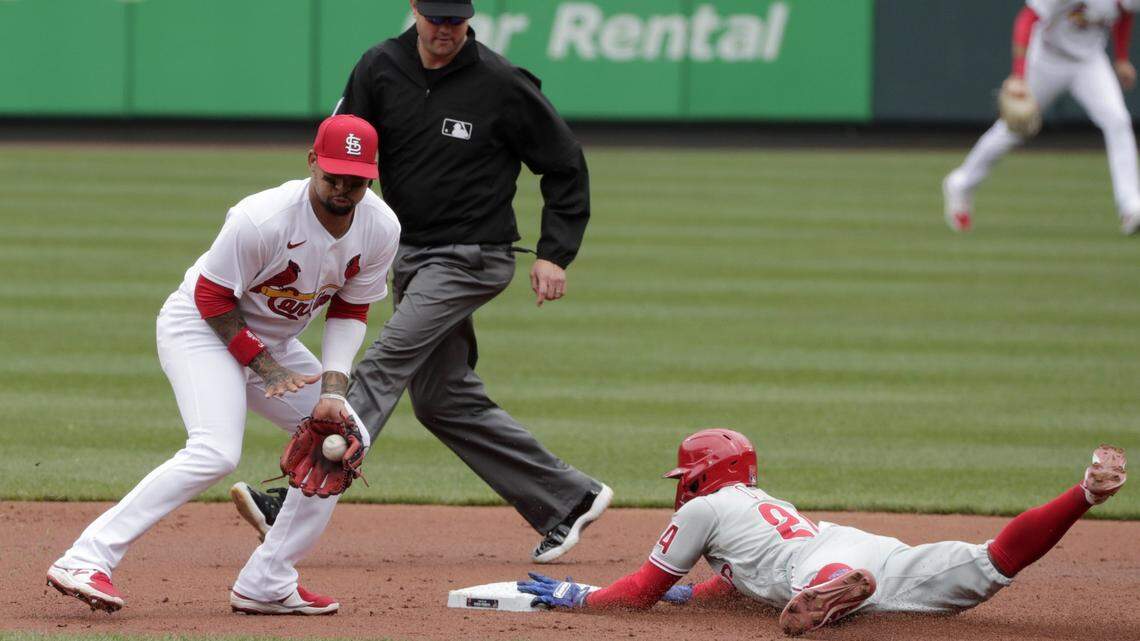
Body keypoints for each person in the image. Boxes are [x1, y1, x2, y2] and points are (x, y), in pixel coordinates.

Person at [230, 0, 611, 564]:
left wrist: (555, 253)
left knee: (382, 364)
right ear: (415, 10)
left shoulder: (501, 83)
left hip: (470, 258)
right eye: (436, 17)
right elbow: (341, 145)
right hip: (407, 256)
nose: (445, 29)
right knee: (441, 399)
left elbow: (564, 162)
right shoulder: (380, 67)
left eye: (456, 20)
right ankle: (569, 498)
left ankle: (294, 500)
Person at [46, 115, 401, 615]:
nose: (343, 188)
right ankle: (84, 558)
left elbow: (350, 308)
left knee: (344, 442)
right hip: (200, 327)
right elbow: (211, 295)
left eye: (356, 179)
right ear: (311, 162)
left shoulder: (380, 227)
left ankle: (268, 580)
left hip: (270, 341)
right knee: (215, 450)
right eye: (333, 175)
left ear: (373, 175)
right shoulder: (264, 218)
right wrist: (264, 366)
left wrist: (334, 391)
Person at [518, 429, 1127, 637]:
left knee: (806, 582)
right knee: (992, 563)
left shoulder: (704, 511)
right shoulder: (762, 504)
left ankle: (837, 591)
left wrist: (582, 596)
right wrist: (691, 595)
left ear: (704, 473)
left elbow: (643, 588)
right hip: (871, 551)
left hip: (825, 564)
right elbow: (733, 584)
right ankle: (1084, 494)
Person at [943, 0, 1140, 234]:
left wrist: (1121, 57)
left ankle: (1130, 207)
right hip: (1048, 58)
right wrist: (1018, 75)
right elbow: (1027, 18)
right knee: (1013, 129)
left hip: (1089, 62)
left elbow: (1125, 14)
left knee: (1118, 121)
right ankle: (961, 183)